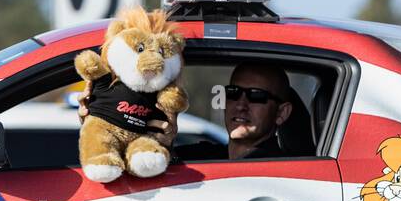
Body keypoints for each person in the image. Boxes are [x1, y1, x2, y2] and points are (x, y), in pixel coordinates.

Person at [81, 62, 310, 161]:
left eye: (256, 96)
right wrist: (100, 123)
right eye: (232, 92)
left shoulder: (282, 169)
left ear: (282, 113)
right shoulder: (205, 156)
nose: (241, 104)